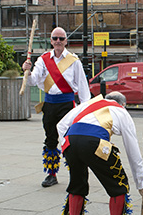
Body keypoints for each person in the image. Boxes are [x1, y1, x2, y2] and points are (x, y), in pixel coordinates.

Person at [57, 91, 143, 215]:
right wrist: (141, 185)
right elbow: (133, 152)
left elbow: (61, 125)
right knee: (118, 184)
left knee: (77, 184)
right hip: (95, 142)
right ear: (124, 105)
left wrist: (65, 147)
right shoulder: (121, 112)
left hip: (71, 141)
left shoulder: (88, 104)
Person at [22, 27, 91, 188]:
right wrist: (27, 71)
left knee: (70, 140)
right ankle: (51, 174)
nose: (58, 41)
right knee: (50, 139)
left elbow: (82, 87)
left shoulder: (74, 61)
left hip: (67, 105)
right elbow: (32, 81)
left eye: (61, 38)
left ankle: (75, 173)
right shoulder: (43, 59)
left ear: (66, 41)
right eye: (55, 38)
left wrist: (85, 108)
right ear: (51, 41)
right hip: (49, 105)